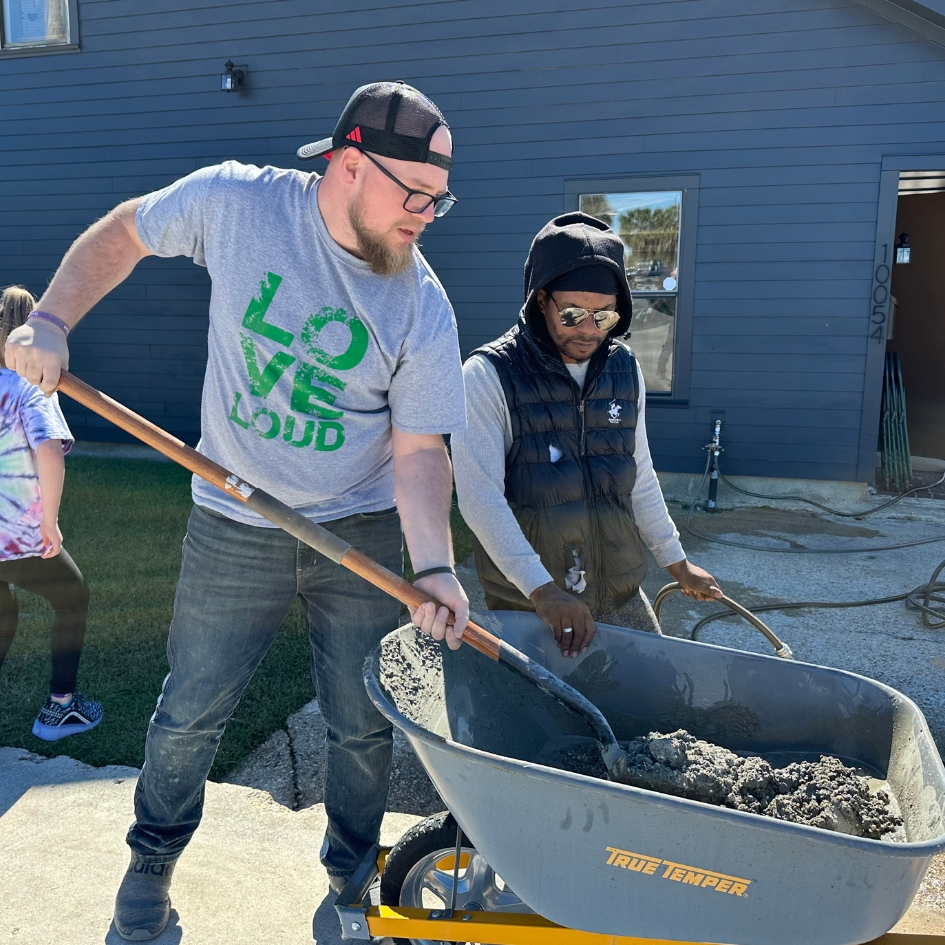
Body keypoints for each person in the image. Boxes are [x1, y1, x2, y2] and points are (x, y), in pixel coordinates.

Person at [4, 80, 469, 941]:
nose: (427, 215)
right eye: (415, 194)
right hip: (231, 518)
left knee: (363, 726)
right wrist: (57, 320)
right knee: (189, 711)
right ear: (351, 164)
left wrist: (433, 563)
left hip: (356, 530)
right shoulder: (237, 203)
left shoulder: (420, 303)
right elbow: (125, 232)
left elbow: (418, 452)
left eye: (439, 200)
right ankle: (148, 869)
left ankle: (349, 883)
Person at [451, 212, 722, 659]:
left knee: (653, 707)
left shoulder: (624, 367)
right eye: (573, 313)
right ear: (540, 299)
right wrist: (542, 592)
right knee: (548, 722)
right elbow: (480, 500)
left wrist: (677, 563)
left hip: (619, 591)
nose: (589, 330)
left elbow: (640, 476)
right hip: (532, 605)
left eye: (605, 315)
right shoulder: (487, 376)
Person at [0, 286, 101, 740]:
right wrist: (49, 521)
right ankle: (61, 709)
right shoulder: (31, 385)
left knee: (3, 608)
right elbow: (49, 452)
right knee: (72, 596)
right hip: (16, 534)